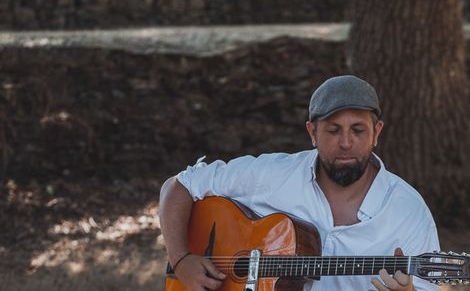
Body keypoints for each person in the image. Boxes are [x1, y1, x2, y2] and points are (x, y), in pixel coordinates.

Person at [159, 75, 440, 291]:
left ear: (376, 132)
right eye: (332, 130)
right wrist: (181, 258)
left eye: (358, 130)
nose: (345, 142)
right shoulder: (272, 175)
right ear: (312, 132)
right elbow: (180, 185)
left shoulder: (409, 211)